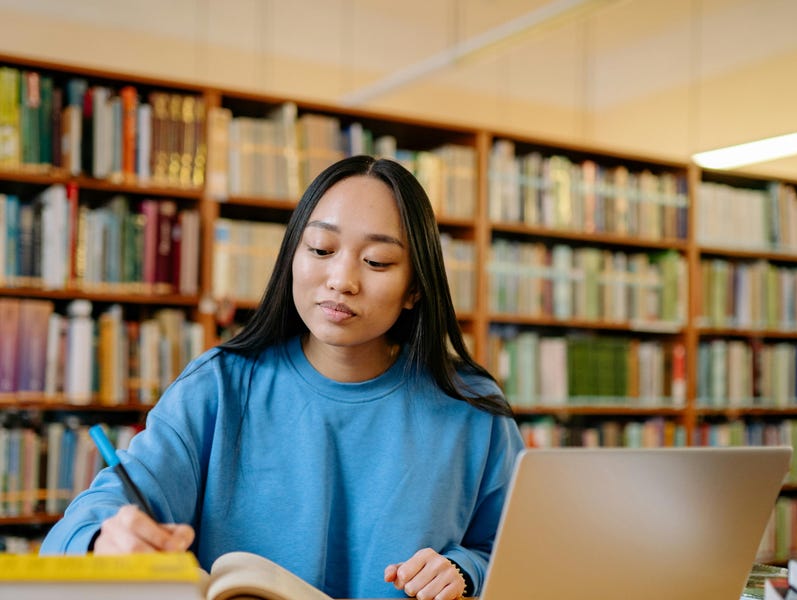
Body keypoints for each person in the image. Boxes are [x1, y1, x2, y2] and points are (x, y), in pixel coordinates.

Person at [40, 155, 524, 600]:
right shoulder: (219, 387)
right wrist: (104, 538)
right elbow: (80, 526)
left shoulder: (471, 408)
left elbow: (520, 554)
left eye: (376, 261)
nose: (341, 279)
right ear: (292, 254)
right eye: (319, 248)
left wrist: (464, 572)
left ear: (416, 288)